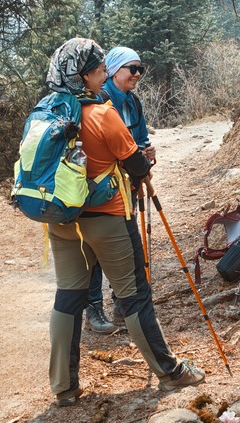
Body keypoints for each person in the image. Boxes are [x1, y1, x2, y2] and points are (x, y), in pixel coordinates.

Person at [44, 38, 204, 406]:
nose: (104, 76)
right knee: (134, 295)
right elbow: (135, 164)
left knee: (69, 297)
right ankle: (170, 373)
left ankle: (64, 389)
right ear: (84, 76)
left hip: (63, 220)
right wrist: (143, 162)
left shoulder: (47, 111)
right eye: (99, 70)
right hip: (108, 217)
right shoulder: (101, 113)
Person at [85, 46, 154, 335]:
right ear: (114, 70)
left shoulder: (133, 102)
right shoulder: (100, 100)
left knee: (125, 246)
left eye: (140, 69)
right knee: (98, 251)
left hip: (129, 182)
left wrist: (146, 153)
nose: (137, 74)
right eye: (132, 68)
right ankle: (93, 308)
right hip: (103, 187)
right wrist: (134, 154)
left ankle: (122, 303)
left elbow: (139, 136)